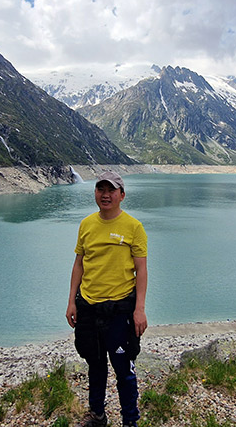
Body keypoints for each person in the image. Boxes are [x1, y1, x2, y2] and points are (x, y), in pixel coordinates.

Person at [67, 171, 148, 427]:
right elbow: (79, 263)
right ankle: (97, 415)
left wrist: (139, 309)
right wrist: (71, 301)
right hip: (88, 306)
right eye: (100, 189)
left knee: (124, 368)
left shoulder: (134, 227)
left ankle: (130, 420)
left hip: (120, 310)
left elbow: (141, 270)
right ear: (95, 193)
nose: (105, 194)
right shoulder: (87, 224)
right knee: (95, 364)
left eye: (111, 190)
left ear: (122, 195)